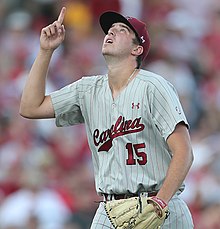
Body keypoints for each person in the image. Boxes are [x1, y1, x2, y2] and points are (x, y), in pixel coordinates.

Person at [19, 7, 194, 229]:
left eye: (121, 30)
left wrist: (160, 201)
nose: (110, 33)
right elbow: (30, 107)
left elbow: (184, 151)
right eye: (110, 29)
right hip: (109, 207)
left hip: (160, 202)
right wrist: (45, 51)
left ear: (137, 49)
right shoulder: (87, 89)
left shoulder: (154, 86)